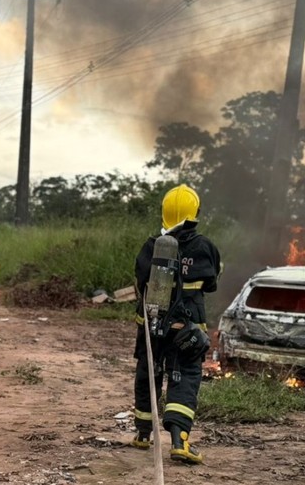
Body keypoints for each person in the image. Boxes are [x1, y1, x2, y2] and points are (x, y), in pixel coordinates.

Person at [130, 184, 222, 465]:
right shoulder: (205, 247)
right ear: (195, 212)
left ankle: (143, 435)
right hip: (188, 328)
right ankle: (180, 441)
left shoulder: (150, 247)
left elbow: (140, 278)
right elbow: (212, 282)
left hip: (151, 325)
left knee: (149, 373)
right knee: (184, 376)